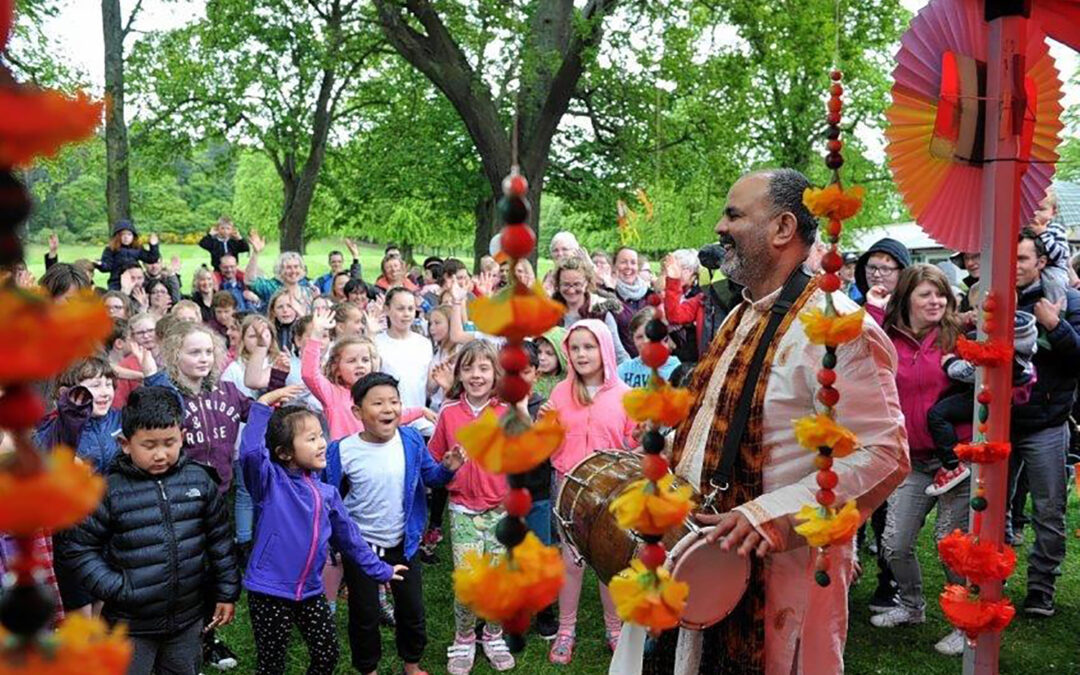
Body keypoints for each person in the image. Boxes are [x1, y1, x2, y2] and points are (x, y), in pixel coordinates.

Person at [636, 169, 907, 674]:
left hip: (785, 578)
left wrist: (770, 514)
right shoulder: (742, 315)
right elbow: (723, 420)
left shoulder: (839, 328)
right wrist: (672, 447)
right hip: (707, 561)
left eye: (734, 214)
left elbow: (883, 452)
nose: (719, 227)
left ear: (783, 228)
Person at [57, 386, 239, 675]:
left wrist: (226, 592)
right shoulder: (108, 490)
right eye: (149, 445)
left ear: (182, 435)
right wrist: (116, 587)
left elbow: (220, 539)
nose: (160, 453)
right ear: (126, 444)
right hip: (130, 625)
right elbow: (78, 548)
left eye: (169, 442)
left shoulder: (200, 481)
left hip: (187, 618)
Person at [239, 392, 404, 675]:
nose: (322, 443)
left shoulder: (327, 494)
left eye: (320, 435)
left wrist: (381, 570)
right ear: (284, 453)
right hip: (270, 591)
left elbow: (351, 539)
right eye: (311, 438)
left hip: (311, 590)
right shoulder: (270, 483)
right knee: (271, 664)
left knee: (327, 653)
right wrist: (262, 405)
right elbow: (251, 453)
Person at [322, 372, 462, 675]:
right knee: (365, 613)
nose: (389, 409)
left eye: (394, 401)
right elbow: (329, 499)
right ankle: (368, 669)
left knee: (412, 610)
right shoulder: (341, 451)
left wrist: (447, 469)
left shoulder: (410, 439)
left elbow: (430, 477)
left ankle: (411, 665)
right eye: (378, 403)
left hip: (404, 541)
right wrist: (332, 541)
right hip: (361, 547)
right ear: (358, 412)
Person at [863, 264, 970, 654]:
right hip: (911, 458)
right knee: (895, 542)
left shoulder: (956, 336)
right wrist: (876, 310)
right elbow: (862, 352)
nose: (936, 301)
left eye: (941, 294)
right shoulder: (889, 337)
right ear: (906, 297)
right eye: (926, 294)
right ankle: (911, 606)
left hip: (955, 461)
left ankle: (965, 624)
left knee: (949, 543)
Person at [546, 320, 635, 664]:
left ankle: (614, 628)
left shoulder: (624, 396)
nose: (581, 354)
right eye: (576, 347)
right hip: (568, 488)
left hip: (609, 492)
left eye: (589, 346)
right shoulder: (559, 394)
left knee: (608, 562)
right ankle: (566, 630)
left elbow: (631, 447)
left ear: (605, 349)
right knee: (571, 561)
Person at [427, 340, 516, 674]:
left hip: (500, 511)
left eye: (484, 368)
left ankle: (492, 635)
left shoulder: (507, 413)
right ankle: (464, 637)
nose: (476, 375)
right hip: (463, 508)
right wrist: (447, 465)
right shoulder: (449, 414)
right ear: (458, 374)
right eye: (468, 368)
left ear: (495, 373)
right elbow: (434, 457)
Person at [1009, 227, 1080, 617]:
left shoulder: (1066, 300)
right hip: (1000, 420)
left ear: (1040, 261)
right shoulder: (991, 299)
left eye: (1021, 258)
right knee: (992, 507)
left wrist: (1056, 325)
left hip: (1047, 423)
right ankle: (992, 579)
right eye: (1009, 258)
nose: (1014, 266)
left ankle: (1041, 588)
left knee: (1048, 509)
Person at [926, 312, 1037, 495]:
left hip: (988, 395)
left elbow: (975, 371)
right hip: (1006, 400)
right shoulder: (1024, 337)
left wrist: (949, 363)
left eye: (980, 310)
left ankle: (952, 465)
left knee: (937, 414)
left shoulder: (1002, 347)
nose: (975, 314)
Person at [301, 308, 430, 442]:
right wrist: (316, 335)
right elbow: (309, 374)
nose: (360, 365)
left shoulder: (376, 392)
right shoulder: (332, 394)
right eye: (351, 361)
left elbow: (392, 415)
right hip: (346, 459)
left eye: (365, 360)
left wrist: (421, 411)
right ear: (336, 368)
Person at [375, 288, 435, 437]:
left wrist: (441, 378)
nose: (407, 314)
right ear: (387, 310)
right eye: (400, 308)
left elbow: (429, 387)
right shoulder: (376, 343)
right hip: (388, 422)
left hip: (420, 422)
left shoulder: (424, 343)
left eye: (411, 308)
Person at [552, 256, 631, 364]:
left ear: (586, 283)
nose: (571, 290)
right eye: (565, 284)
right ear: (558, 285)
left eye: (577, 284)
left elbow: (619, 354)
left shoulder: (600, 313)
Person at [245, 232, 318, 310]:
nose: (293, 271)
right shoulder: (272, 288)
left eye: (296, 267)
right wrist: (255, 253)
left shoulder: (308, 290)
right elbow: (250, 281)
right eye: (288, 267)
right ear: (280, 271)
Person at [610, 247, 659, 357]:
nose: (628, 267)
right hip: (621, 366)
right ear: (614, 266)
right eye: (623, 262)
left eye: (633, 263)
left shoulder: (650, 295)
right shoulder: (607, 296)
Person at [616, 307, 681, 388]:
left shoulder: (676, 369)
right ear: (633, 339)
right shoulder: (623, 371)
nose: (646, 341)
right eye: (639, 337)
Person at [660, 248, 704, 362]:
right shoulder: (681, 291)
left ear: (691, 271)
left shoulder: (700, 294)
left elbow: (675, 316)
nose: (671, 273)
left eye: (676, 268)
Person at [98, 220, 160, 291]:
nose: (126, 237)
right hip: (117, 281)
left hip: (135, 280)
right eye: (123, 234)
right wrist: (100, 264)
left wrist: (153, 245)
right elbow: (107, 267)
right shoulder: (111, 249)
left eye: (129, 234)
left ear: (133, 236)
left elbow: (152, 258)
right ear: (118, 236)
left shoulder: (137, 249)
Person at [854, 237, 911, 306]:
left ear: (902, 273)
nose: (876, 274)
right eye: (872, 268)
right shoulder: (852, 309)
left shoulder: (914, 310)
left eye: (885, 269)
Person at [532, 327, 567, 399]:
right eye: (539, 352)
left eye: (549, 353)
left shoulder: (568, 382)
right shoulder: (530, 378)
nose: (542, 358)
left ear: (560, 356)